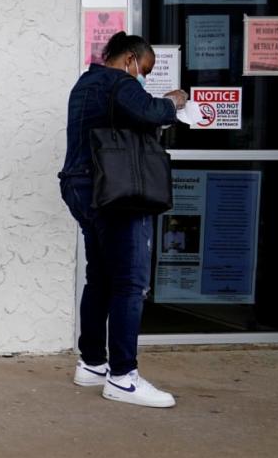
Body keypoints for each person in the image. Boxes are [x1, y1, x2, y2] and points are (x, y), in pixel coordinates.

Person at [58, 32, 188, 408]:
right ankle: (123, 377)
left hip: (82, 187)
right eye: (143, 69)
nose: (141, 76)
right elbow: (150, 112)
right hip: (116, 192)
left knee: (100, 277)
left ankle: (93, 363)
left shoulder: (86, 83)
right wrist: (173, 103)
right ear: (130, 59)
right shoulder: (119, 81)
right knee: (130, 283)